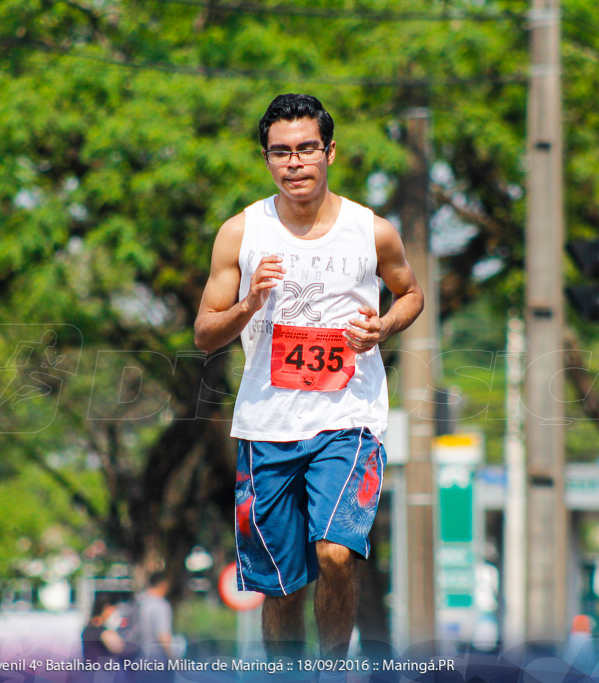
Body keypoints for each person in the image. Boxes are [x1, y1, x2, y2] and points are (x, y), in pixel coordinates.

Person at [194, 93, 424, 660]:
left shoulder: (371, 231)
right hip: (266, 425)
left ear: (330, 152)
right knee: (282, 584)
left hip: (349, 420)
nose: (294, 163)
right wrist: (250, 303)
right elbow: (204, 332)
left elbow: (411, 293)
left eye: (306, 149)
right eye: (280, 153)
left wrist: (385, 326)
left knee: (336, 553)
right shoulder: (241, 233)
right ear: (266, 160)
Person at [129, 572, 177, 663]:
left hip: (134, 658)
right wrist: (174, 659)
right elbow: (163, 635)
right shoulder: (160, 605)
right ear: (163, 585)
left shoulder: (136, 601)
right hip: (154, 660)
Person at [82, 594, 126, 663]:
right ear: (106, 608)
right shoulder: (102, 630)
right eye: (112, 610)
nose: (112, 614)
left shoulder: (89, 625)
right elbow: (119, 648)